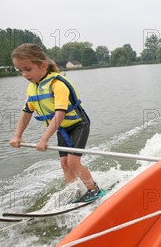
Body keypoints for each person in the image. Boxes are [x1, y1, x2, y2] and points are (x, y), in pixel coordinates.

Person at [9, 43, 102, 203]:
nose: (24, 74)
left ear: (43, 65)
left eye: (28, 69)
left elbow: (60, 114)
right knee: (65, 165)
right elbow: (26, 114)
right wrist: (17, 136)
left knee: (73, 162)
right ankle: (74, 193)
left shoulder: (57, 85)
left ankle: (93, 189)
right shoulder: (33, 89)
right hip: (62, 129)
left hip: (78, 125)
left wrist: (44, 140)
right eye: (20, 71)